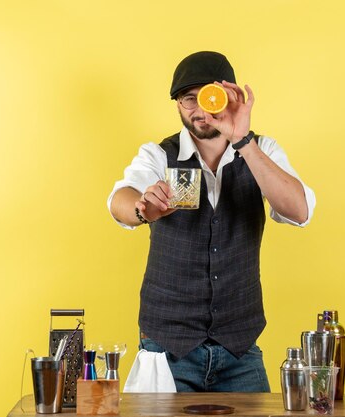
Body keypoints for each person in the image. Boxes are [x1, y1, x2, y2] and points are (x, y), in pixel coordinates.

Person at [107, 51, 316, 392]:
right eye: (190, 98)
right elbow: (119, 201)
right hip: (167, 350)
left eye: (210, 97)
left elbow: (299, 210)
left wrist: (242, 140)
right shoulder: (159, 155)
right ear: (177, 104)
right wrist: (144, 208)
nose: (201, 110)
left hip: (239, 351)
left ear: (231, 98)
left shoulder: (261, 149)